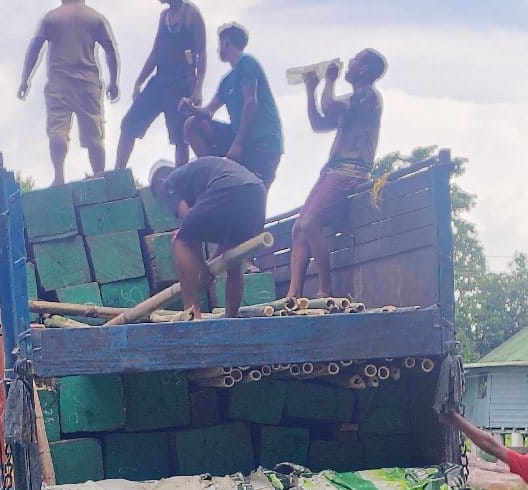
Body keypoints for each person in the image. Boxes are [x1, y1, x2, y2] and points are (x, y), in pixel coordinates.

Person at [286, 50, 386, 299]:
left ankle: (325, 288)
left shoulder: (368, 96)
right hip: (334, 170)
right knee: (298, 229)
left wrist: (329, 79)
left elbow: (328, 106)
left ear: (363, 69)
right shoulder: (353, 102)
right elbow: (319, 123)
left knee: (309, 222)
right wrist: (310, 90)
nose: (349, 62)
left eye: (355, 60)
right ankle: (293, 293)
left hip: (350, 171)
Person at [18, 0, 121, 185]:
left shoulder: (51, 18)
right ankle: (99, 174)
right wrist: (113, 81)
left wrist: (25, 79)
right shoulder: (94, 18)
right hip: (88, 84)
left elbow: (35, 47)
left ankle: (59, 176)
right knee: (94, 134)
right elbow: (110, 50)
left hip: (59, 84)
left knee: (58, 130)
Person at [151, 157, 265, 320]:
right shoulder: (197, 176)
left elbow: (190, 226)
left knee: (179, 240)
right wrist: (209, 264)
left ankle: (192, 313)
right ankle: (231, 318)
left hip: (227, 186)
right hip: (256, 191)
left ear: (159, 181)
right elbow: (211, 237)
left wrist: (202, 268)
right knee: (232, 253)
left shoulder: (168, 184)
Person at [179, 23, 282, 192]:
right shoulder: (226, 81)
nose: (218, 49)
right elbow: (209, 112)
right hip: (241, 140)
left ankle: (224, 180)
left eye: (220, 44)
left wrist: (237, 144)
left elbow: (251, 103)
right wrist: (191, 108)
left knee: (253, 195)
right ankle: (214, 176)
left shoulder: (246, 62)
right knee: (192, 124)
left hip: (263, 143)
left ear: (226, 43)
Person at [116, 0, 207, 170]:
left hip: (181, 83)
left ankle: (180, 179)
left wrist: (198, 88)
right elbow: (155, 52)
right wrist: (139, 81)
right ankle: (118, 172)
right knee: (129, 123)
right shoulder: (164, 16)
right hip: (159, 81)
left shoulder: (191, 15)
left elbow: (201, 52)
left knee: (180, 137)